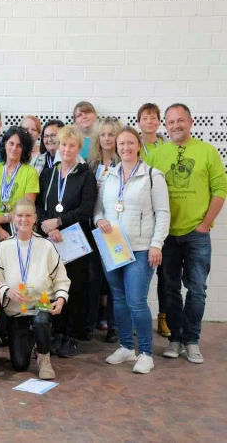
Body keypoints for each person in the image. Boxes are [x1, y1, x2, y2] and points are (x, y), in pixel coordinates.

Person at [146, 103, 227, 364]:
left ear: (190, 122)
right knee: (169, 289)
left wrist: (205, 224)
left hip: (196, 234)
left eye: (180, 120)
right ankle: (175, 339)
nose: (176, 125)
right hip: (166, 235)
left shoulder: (207, 152)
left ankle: (192, 340)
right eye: (170, 122)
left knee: (198, 290)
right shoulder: (156, 155)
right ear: (165, 126)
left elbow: (220, 190)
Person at [94, 126, 170, 374]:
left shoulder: (152, 176)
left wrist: (156, 244)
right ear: (115, 147)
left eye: (130, 143)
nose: (125, 148)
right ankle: (127, 347)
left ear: (138, 146)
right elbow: (99, 209)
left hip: (140, 249)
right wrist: (99, 221)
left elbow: (163, 213)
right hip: (113, 247)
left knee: (136, 301)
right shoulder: (109, 176)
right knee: (118, 298)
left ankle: (146, 352)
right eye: (121, 144)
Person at [37, 125, 97, 358]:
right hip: (51, 240)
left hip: (74, 242)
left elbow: (85, 210)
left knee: (74, 286)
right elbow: (39, 204)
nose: (67, 149)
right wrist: (46, 225)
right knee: (52, 285)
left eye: (72, 145)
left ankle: (71, 335)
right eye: (63, 144)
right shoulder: (49, 174)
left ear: (79, 148)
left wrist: (58, 222)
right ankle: (57, 331)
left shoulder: (86, 175)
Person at [0, 198, 70, 379]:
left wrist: (60, 299)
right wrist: (6, 290)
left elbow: (61, 278)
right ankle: (31, 341)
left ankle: (44, 357)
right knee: (19, 365)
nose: (24, 220)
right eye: (19, 215)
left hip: (40, 305)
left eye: (28, 215)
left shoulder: (46, 246)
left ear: (35, 219)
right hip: (16, 310)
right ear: (13, 218)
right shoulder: (3, 247)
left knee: (40, 321)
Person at [86, 117, 122, 343]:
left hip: (114, 229)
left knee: (114, 281)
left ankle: (114, 326)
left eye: (111, 134)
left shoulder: (124, 162)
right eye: (103, 135)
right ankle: (88, 324)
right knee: (93, 278)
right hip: (91, 227)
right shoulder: (90, 164)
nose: (107, 139)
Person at [137, 103, 169, 337]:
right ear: (139, 122)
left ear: (159, 122)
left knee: (165, 273)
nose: (149, 121)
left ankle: (163, 317)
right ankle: (138, 314)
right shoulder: (133, 145)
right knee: (140, 271)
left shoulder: (168, 147)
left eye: (153, 118)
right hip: (141, 214)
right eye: (145, 118)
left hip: (162, 210)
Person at [0, 126, 39, 258]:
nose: (14, 148)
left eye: (19, 145)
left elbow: (27, 208)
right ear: (5, 144)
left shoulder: (30, 172)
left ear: (24, 149)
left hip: (19, 228)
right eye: (11, 143)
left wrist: (0, 219)